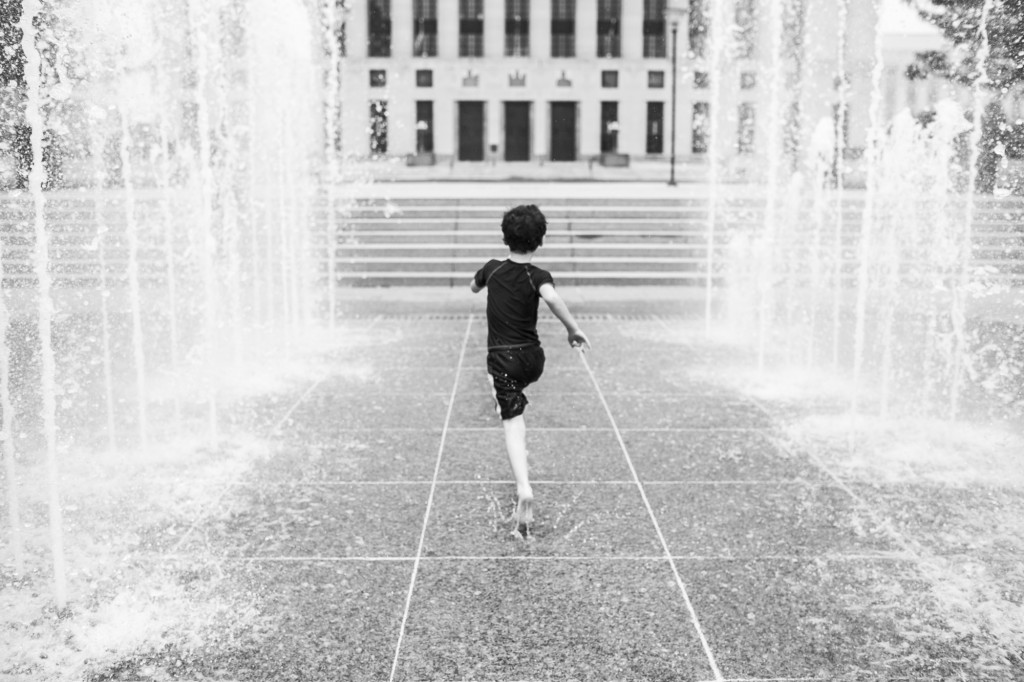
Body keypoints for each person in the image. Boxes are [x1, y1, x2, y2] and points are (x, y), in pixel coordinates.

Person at [470, 204, 590, 538]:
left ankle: (524, 487)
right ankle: (514, 398)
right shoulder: (538, 276)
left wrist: (482, 282)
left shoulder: (491, 269)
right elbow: (551, 299)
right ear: (539, 242)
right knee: (513, 394)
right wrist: (573, 329)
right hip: (532, 359)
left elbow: (473, 287)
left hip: (503, 360)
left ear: (505, 237)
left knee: (511, 420)